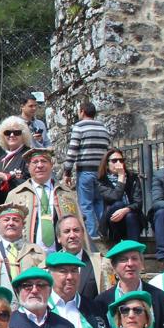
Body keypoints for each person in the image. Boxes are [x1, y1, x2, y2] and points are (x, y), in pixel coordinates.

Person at [91, 240, 164, 328]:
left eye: (134, 258)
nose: (130, 264)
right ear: (114, 266)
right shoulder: (102, 301)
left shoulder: (158, 297)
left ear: (142, 264)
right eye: (123, 259)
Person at [6, 146, 71, 253]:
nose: (39, 165)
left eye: (44, 161)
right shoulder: (15, 195)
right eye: (35, 162)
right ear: (28, 167)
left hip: (62, 258)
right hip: (28, 257)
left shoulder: (65, 193)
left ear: (51, 165)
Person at [63, 101, 111, 239]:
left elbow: (72, 150)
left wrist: (67, 171)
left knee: (86, 203)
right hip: (101, 172)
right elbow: (108, 150)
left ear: (82, 111)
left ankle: (91, 235)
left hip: (85, 171)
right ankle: (104, 232)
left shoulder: (79, 127)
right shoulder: (103, 128)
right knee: (99, 202)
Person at [0, 202, 39, 288]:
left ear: (23, 225)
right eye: (6, 220)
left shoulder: (36, 251)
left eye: (16, 220)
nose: (11, 223)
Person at [0, 116, 33, 207]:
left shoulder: (29, 155)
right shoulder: (2, 159)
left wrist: (5, 177)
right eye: (8, 132)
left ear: (23, 135)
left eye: (17, 132)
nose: (12, 135)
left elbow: (33, 184)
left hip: (21, 208)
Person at [56, 213, 109, 302]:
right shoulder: (47, 267)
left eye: (76, 230)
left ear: (83, 234)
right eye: (67, 231)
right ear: (59, 238)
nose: (72, 235)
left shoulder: (101, 263)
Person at [95, 148, 143, 245]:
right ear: (107, 164)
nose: (119, 163)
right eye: (114, 160)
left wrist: (126, 210)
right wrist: (121, 178)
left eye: (121, 160)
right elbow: (114, 197)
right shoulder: (101, 181)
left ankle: (134, 250)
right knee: (118, 204)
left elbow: (138, 202)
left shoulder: (133, 178)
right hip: (112, 220)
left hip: (131, 217)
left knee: (130, 215)